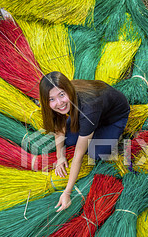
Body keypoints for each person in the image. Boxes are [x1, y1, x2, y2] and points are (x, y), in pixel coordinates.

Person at [39, 71, 130, 212]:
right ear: (46, 100)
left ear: (68, 89)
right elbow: (59, 126)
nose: (58, 103)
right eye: (51, 99)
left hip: (113, 118)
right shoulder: (63, 102)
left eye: (61, 95)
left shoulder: (88, 108)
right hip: (91, 116)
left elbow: (78, 156)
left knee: (96, 153)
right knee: (68, 140)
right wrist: (60, 156)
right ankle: (91, 130)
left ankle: (109, 134)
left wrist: (67, 192)